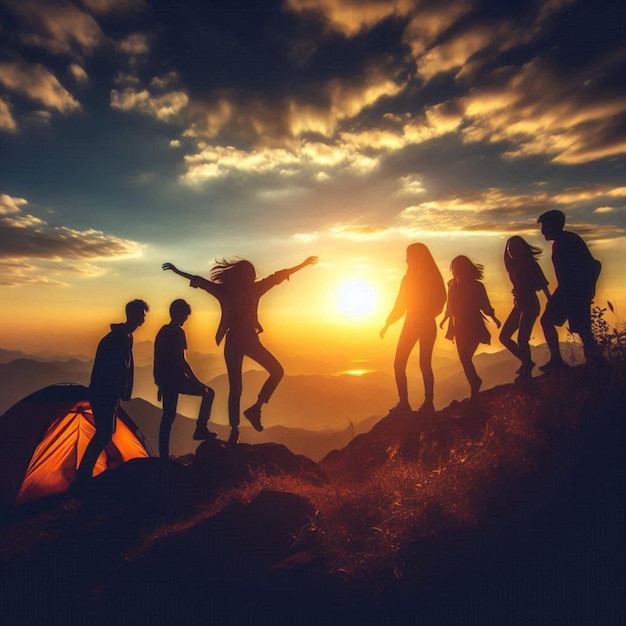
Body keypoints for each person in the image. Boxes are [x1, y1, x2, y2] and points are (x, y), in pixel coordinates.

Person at [162, 256, 318, 444]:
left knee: (250, 382)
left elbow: (200, 281)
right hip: (244, 340)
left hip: (239, 340)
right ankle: (236, 429)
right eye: (251, 274)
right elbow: (277, 277)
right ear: (245, 276)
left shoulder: (227, 292)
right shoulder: (246, 290)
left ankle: (250, 414)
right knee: (248, 383)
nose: (253, 276)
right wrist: (302, 264)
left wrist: (302, 265)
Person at [75, 299, 149, 485]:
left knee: (107, 433)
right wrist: (115, 391)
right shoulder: (117, 339)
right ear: (132, 315)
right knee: (104, 434)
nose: (143, 319)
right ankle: (83, 475)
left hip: (108, 394)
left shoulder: (124, 337)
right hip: (104, 393)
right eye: (142, 315)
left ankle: (89, 471)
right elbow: (111, 369)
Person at [380, 243, 446, 415]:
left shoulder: (429, 277)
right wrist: (388, 322)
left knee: (422, 364)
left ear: (418, 256)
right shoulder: (409, 279)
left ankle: (426, 403)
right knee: (402, 364)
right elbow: (401, 304)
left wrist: (427, 315)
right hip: (412, 325)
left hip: (421, 325)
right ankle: (406, 403)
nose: (406, 259)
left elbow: (440, 300)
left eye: (409, 255)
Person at [537, 209, 601, 371]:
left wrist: (584, 290)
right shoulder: (568, 240)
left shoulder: (564, 243)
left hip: (572, 291)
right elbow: (595, 264)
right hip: (574, 291)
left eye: (544, 226)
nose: (542, 231)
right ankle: (595, 362)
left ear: (553, 226)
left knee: (578, 328)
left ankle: (563, 361)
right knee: (583, 329)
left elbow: (591, 266)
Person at [154, 299, 216, 460]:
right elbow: (181, 361)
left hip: (166, 380)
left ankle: (163, 454)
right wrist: (196, 383)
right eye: (184, 315)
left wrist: (159, 382)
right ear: (176, 313)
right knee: (209, 393)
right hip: (176, 379)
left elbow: (157, 359)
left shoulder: (162, 331)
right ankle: (200, 429)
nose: (185, 319)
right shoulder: (177, 332)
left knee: (168, 416)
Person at [440, 256, 501, 399]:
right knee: (463, 358)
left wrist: (494, 318)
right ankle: (474, 384)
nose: (455, 271)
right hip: (458, 326)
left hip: (474, 325)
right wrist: (444, 319)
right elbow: (450, 305)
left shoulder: (477, 286)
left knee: (465, 357)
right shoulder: (451, 284)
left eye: (458, 268)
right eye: (453, 268)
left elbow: (485, 304)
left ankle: (475, 384)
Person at [499, 236, 551, 381]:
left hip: (530, 304)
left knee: (522, 339)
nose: (510, 250)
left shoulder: (530, 264)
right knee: (504, 337)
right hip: (519, 305)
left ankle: (526, 371)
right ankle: (527, 362)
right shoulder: (512, 266)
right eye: (509, 248)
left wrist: (550, 301)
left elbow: (543, 284)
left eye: (513, 247)